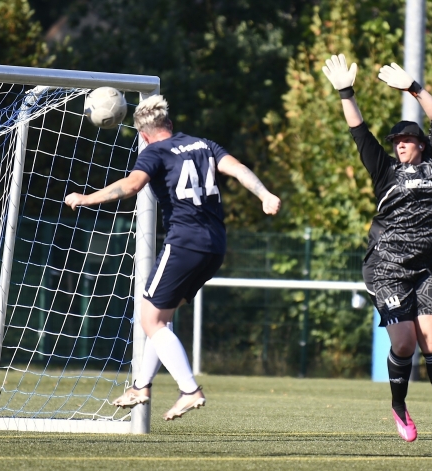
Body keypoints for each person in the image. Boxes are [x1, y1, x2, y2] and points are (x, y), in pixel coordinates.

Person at [64, 95, 281, 420]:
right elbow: (237, 169)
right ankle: (141, 386)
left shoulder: (154, 152)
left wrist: (86, 198)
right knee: (160, 319)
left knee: (149, 320)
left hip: (184, 243)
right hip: (215, 245)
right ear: (170, 124)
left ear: (144, 135)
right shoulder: (203, 144)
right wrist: (264, 194)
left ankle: (189, 390)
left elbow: (132, 185)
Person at [321, 54, 432, 443]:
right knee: (404, 342)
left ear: (421, 145)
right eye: (397, 141)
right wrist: (345, 92)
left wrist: (413, 87)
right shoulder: (385, 170)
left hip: (426, 267)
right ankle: (400, 407)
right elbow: (359, 130)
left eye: (406, 140)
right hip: (386, 267)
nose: (400, 145)